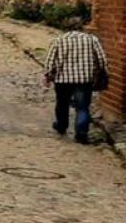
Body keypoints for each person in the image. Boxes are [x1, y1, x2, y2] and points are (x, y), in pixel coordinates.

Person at [44, 14, 108, 144]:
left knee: (62, 103)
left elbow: (50, 61)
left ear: (66, 27)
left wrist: (48, 76)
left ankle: (61, 125)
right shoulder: (92, 40)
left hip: (63, 79)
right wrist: (103, 72)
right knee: (83, 106)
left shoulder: (58, 40)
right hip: (84, 79)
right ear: (81, 27)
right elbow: (102, 58)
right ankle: (81, 133)